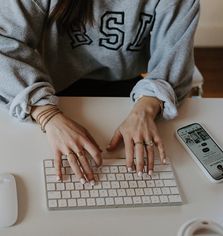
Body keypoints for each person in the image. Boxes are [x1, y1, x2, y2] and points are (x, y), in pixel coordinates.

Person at [0, 0, 200, 185]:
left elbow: (174, 54)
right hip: (51, 91)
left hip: (129, 87)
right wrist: (47, 115)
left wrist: (146, 108)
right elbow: (4, 44)